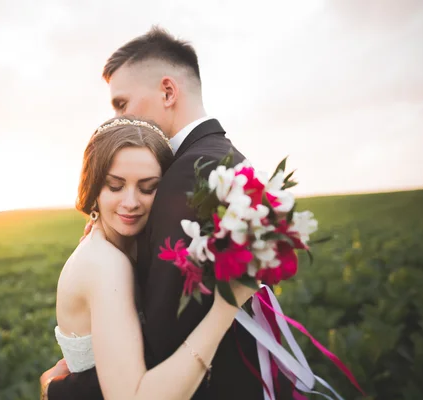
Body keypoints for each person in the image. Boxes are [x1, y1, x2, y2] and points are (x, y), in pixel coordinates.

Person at [42, 27, 294, 399]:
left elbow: (164, 343)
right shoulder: (225, 159)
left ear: (167, 91)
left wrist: (70, 390)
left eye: (122, 103)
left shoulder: (185, 178)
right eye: (115, 185)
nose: (117, 117)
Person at [39, 116, 258, 400]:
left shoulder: (123, 249)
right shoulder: (105, 264)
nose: (130, 203)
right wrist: (225, 307)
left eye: (148, 188)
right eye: (115, 186)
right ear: (93, 189)